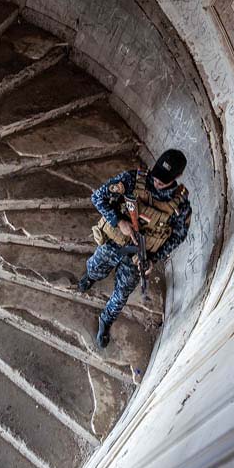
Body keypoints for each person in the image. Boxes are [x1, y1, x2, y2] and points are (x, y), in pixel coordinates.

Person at [79, 149, 191, 348]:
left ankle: (106, 320)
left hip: (139, 256)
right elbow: (98, 198)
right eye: (156, 176)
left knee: (121, 295)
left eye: (163, 180)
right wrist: (119, 220)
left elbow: (178, 236)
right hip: (115, 242)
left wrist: (154, 259)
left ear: (178, 177)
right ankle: (90, 278)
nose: (156, 182)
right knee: (94, 267)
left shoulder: (180, 207)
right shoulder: (132, 180)